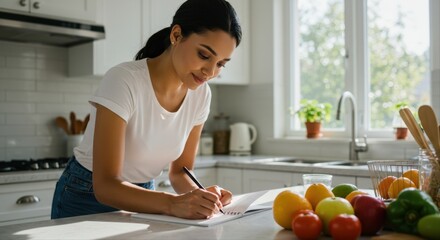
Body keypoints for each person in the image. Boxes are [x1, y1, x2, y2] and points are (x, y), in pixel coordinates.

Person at [51, 0, 241, 220]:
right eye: (204, 55)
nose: (210, 72)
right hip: (85, 196)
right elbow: (105, 185)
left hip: (146, 197)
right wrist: (172, 203)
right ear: (176, 35)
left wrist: (201, 196)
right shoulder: (124, 80)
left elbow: (180, 172)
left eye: (221, 64)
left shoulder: (201, 94)